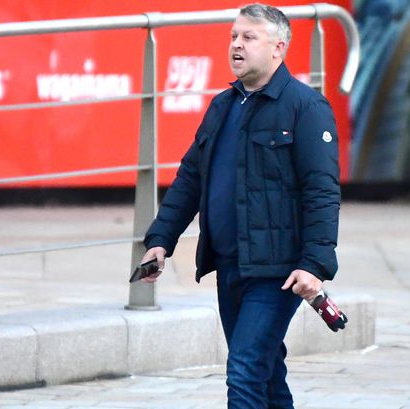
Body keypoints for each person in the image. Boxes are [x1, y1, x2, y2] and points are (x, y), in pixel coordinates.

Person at [139, 4, 340, 408]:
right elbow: (190, 178)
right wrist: (161, 239)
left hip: (278, 271)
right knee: (266, 373)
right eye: (234, 36)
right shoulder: (222, 106)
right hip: (230, 265)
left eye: (249, 37)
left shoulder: (306, 107)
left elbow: (322, 191)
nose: (236, 45)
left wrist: (314, 264)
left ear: (278, 48)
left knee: (245, 370)